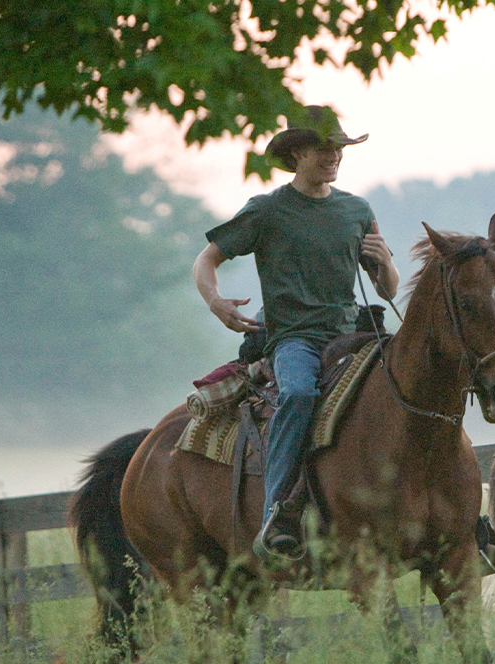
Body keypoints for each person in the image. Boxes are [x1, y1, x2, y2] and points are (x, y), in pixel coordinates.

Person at [192, 106, 400, 560]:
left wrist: (385, 262)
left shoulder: (357, 210)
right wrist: (216, 302)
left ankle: (460, 518)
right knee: (301, 394)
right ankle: (276, 513)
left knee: (408, 388)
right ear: (298, 153)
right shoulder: (267, 211)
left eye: (339, 149)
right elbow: (206, 260)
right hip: (295, 339)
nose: (334, 157)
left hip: (354, 334)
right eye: (325, 149)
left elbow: (388, 288)